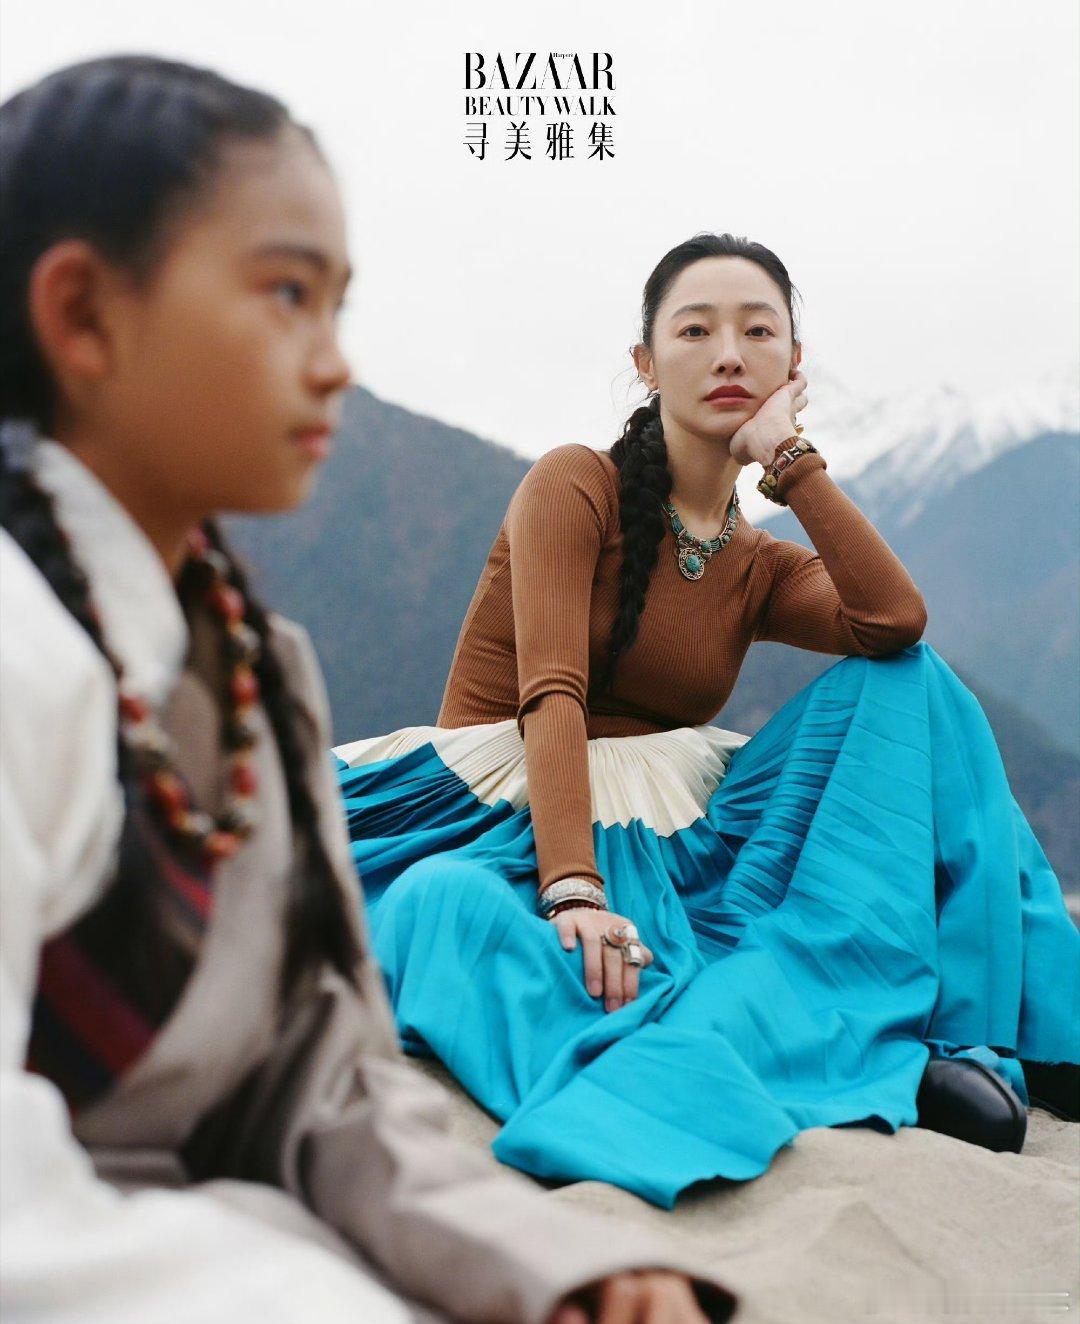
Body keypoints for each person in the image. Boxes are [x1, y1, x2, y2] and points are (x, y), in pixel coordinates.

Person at [0, 56, 740, 1324]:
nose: (336, 364)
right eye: (288, 294)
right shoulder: (23, 649)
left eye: (340, 307)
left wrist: (549, 1267)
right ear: (82, 314)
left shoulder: (254, 669)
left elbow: (319, 1077)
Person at [335, 232, 1080, 1210]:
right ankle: (805, 1055)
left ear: (793, 366)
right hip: (505, 817)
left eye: (758, 332)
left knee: (912, 686)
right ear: (644, 363)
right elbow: (550, 694)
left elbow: (894, 621)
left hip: (671, 831)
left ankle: (999, 1034)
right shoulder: (574, 484)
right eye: (695, 330)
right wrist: (571, 892)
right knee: (444, 908)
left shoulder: (754, 560)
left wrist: (791, 462)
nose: (729, 353)